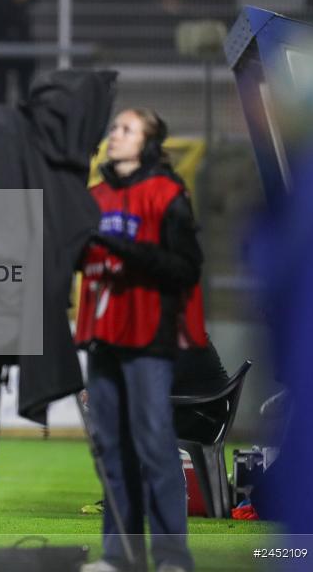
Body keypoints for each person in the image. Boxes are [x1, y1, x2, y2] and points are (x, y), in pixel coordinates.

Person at [75, 108, 205, 572]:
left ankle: (172, 558)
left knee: (154, 446)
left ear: (148, 142)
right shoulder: (94, 196)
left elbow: (186, 267)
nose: (115, 134)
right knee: (112, 450)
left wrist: (122, 248)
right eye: (113, 127)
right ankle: (120, 556)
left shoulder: (167, 194)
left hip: (149, 337)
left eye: (126, 129)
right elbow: (77, 258)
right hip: (102, 336)